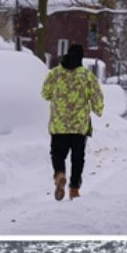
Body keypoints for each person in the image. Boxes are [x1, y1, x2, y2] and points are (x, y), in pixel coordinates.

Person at [41, 44, 103, 201]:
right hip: (79, 126)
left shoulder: (55, 73)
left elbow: (45, 93)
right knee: (77, 158)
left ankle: (60, 173)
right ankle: (74, 188)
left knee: (57, 154)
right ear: (81, 57)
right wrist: (97, 109)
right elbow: (97, 98)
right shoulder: (87, 76)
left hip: (59, 124)